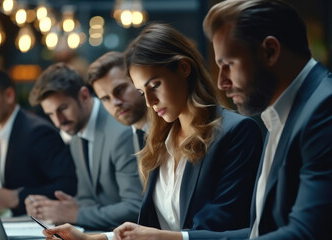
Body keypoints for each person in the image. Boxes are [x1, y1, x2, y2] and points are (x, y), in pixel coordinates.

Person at [42, 23, 263, 240]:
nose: (149, 101)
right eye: (141, 91)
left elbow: (230, 229)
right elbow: (149, 231)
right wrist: (93, 239)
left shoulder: (237, 132)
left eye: (154, 85)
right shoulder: (159, 141)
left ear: (184, 68)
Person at [186, 0, 332, 239]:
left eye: (229, 64)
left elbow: (306, 234)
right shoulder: (280, 113)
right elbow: (264, 231)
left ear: (270, 51)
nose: (221, 82)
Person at [26, 62, 143, 231]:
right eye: (51, 114)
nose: (59, 121)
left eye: (63, 108)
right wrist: (51, 208)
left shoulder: (121, 133)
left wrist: (76, 214)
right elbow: (89, 199)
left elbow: (135, 208)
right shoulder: (76, 133)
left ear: (84, 96)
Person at [0, 66, 77, 216]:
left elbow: (69, 185)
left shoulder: (37, 132)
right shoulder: (5, 131)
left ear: (9, 95)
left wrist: (15, 198)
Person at [85, 51, 148, 153]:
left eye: (119, 90)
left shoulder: (173, 130)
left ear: (136, 80)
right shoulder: (131, 138)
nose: (115, 102)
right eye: (106, 98)